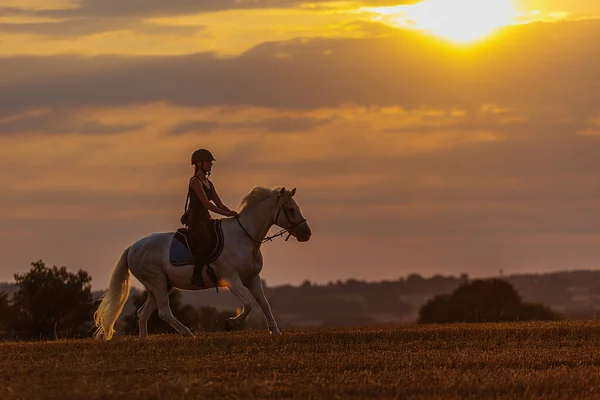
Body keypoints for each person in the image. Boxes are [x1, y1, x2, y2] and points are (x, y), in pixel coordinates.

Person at [183, 148, 238, 286]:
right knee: (206, 240)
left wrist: (233, 214)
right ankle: (196, 274)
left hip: (206, 219)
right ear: (199, 163)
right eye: (208, 162)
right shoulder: (195, 181)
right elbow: (207, 204)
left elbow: (219, 203)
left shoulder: (209, 183)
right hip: (195, 220)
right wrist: (226, 214)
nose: (211, 164)